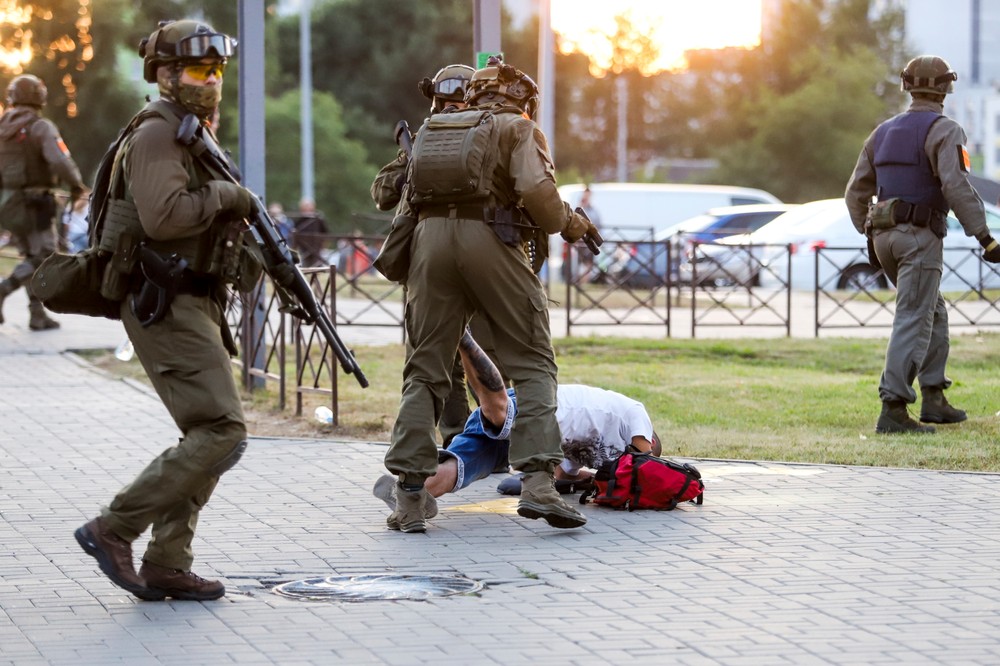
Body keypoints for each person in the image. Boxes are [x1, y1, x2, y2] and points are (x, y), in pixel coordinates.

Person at [74, 19, 257, 601]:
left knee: (208, 433)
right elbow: (164, 218)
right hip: (163, 301)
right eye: (200, 71)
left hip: (192, 298)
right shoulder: (156, 134)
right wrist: (229, 196)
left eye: (217, 71)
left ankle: (167, 562)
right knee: (223, 431)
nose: (212, 82)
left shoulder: (188, 133)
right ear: (165, 75)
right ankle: (115, 527)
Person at [381, 55, 599, 533]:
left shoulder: (435, 129)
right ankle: (539, 485)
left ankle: (409, 497)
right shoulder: (516, 128)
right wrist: (571, 223)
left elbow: (400, 197)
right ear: (522, 100)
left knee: (425, 368)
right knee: (534, 361)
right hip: (492, 241)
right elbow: (540, 196)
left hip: (429, 247)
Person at [845, 55, 1000, 434]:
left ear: (907, 86)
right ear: (947, 87)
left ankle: (934, 398)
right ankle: (893, 407)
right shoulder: (946, 130)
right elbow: (956, 185)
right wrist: (985, 237)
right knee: (914, 316)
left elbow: (854, 194)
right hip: (919, 238)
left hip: (884, 237)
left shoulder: (880, 132)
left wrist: (870, 234)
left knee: (933, 312)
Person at [373, 330, 660, 507]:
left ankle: (410, 497)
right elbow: (642, 463)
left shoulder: (592, 458)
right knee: (500, 413)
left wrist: (592, 481)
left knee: (462, 466)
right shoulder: (636, 414)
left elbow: (563, 474)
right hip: (537, 407)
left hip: (528, 439)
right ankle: (464, 338)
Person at [370, 63, 500, 447]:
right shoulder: (425, 142)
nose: (448, 111)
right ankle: (459, 441)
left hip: (461, 264)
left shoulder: (486, 137)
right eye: (443, 103)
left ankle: (482, 438)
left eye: (455, 103)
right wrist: (412, 163)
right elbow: (381, 193)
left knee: (477, 357)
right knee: (439, 360)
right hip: (442, 263)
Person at [0, 73, 88, 330]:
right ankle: (4, 289)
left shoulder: (2, 127)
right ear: (40, 97)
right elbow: (60, 160)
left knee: (30, 256)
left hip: (7, 204)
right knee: (45, 257)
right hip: (35, 204)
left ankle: (37, 315)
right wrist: (75, 185)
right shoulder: (41, 127)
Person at [291, 197, 328, 267]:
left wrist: (322, 245)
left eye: (309, 206)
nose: (307, 208)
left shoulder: (319, 219)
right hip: (303, 249)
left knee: (317, 267)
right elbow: (294, 235)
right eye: (305, 206)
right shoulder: (299, 220)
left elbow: (325, 233)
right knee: (306, 266)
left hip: (316, 248)